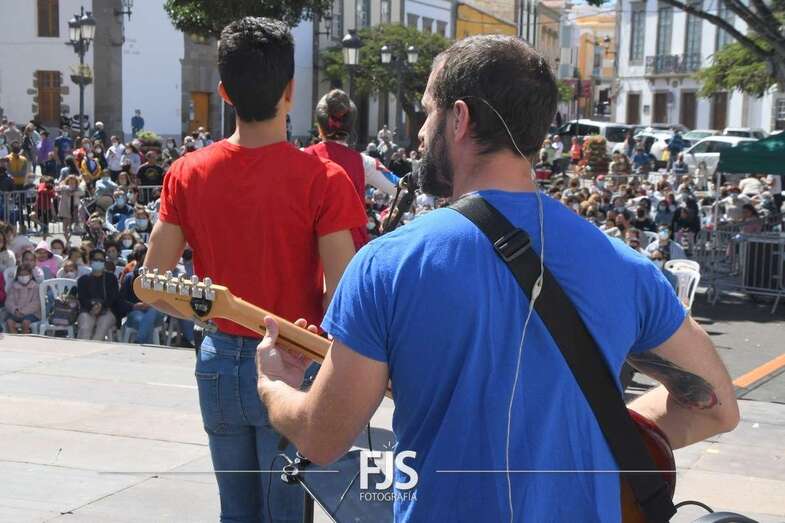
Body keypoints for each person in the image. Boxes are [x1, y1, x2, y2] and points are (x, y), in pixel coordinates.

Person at [254, 35, 739, 522]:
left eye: (428, 112)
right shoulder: (625, 266)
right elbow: (717, 408)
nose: (421, 132)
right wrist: (584, 435)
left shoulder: (389, 264)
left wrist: (275, 384)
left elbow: (322, 438)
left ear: (459, 119)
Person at [142, 18, 367, 523]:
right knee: (285, 513)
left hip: (218, 358)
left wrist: (208, 313)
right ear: (291, 91)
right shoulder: (324, 179)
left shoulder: (186, 173)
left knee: (236, 512)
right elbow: (342, 296)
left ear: (224, 92)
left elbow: (153, 283)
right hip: (292, 359)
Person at [303, 89, 399, 250]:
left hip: (312, 250)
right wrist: (388, 214)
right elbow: (402, 188)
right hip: (354, 251)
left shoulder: (302, 157)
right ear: (350, 126)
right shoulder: (364, 162)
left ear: (319, 126)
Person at [76, 249, 119, 341]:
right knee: (85, 327)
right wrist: (92, 307)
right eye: (96, 260)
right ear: (90, 261)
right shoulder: (83, 280)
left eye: (101, 260)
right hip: (87, 310)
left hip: (107, 310)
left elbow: (113, 297)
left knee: (102, 327)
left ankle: (93, 348)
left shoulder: (111, 278)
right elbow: (82, 299)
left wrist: (101, 306)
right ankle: (82, 348)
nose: (99, 262)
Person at [4, 264, 41, 334]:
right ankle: (15, 339)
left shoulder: (35, 287)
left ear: (30, 275)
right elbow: (9, 302)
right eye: (21, 275)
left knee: (25, 322)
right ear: (17, 276)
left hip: (32, 314)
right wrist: (15, 310)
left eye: (25, 275)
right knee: (9, 322)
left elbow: (36, 303)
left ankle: (24, 339)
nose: (23, 277)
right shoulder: (13, 287)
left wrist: (23, 311)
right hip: (15, 313)